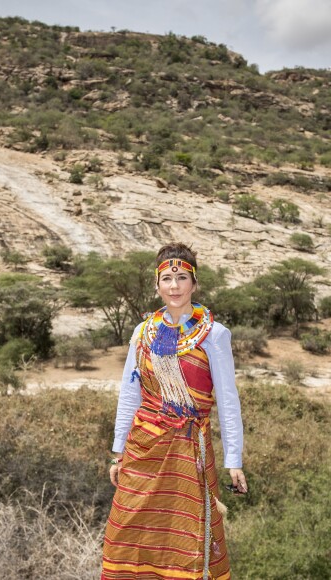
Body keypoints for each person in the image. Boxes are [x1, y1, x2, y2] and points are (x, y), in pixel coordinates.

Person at [101, 242, 247, 580]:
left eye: (182, 277)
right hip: (143, 449)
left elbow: (227, 400)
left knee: (188, 539)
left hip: (189, 452)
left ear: (194, 283)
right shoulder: (143, 332)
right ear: (157, 285)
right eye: (167, 278)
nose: (174, 286)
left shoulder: (214, 335)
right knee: (126, 534)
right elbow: (129, 394)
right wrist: (117, 452)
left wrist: (234, 460)